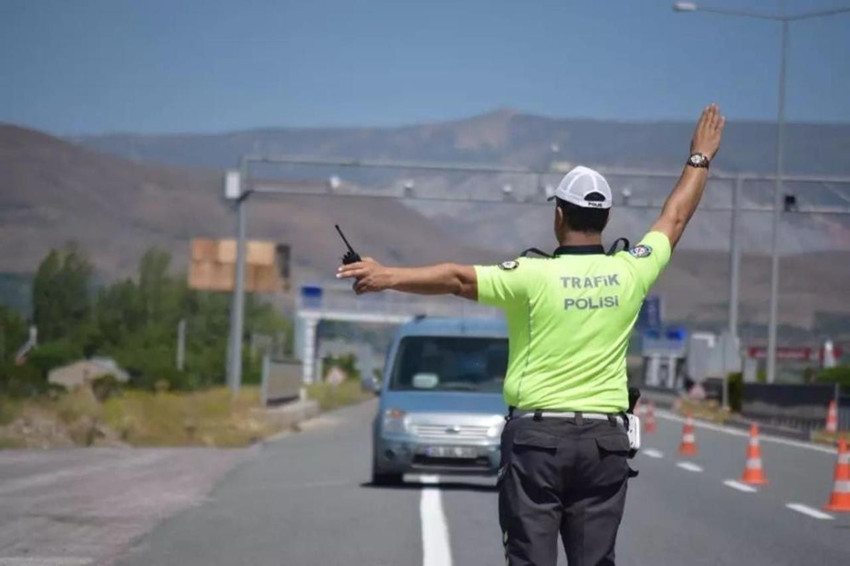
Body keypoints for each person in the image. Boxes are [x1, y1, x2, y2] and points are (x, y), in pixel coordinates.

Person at [337, 104, 726, 566]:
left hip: (537, 441)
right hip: (605, 443)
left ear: (559, 215)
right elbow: (674, 218)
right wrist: (700, 157)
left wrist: (386, 276)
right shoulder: (631, 270)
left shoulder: (530, 276)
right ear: (603, 220)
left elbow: (457, 278)